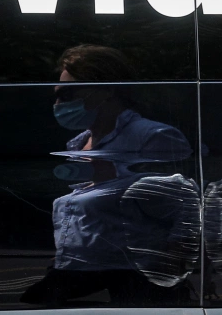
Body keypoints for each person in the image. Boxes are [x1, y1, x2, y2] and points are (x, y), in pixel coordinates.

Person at [21, 44, 197, 306]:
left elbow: (187, 205)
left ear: (106, 89)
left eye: (69, 93)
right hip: (82, 269)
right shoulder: (78, 145)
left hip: (133, 277)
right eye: (56, 96)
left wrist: (174, 259)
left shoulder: (152, 137)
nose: (59, 104)